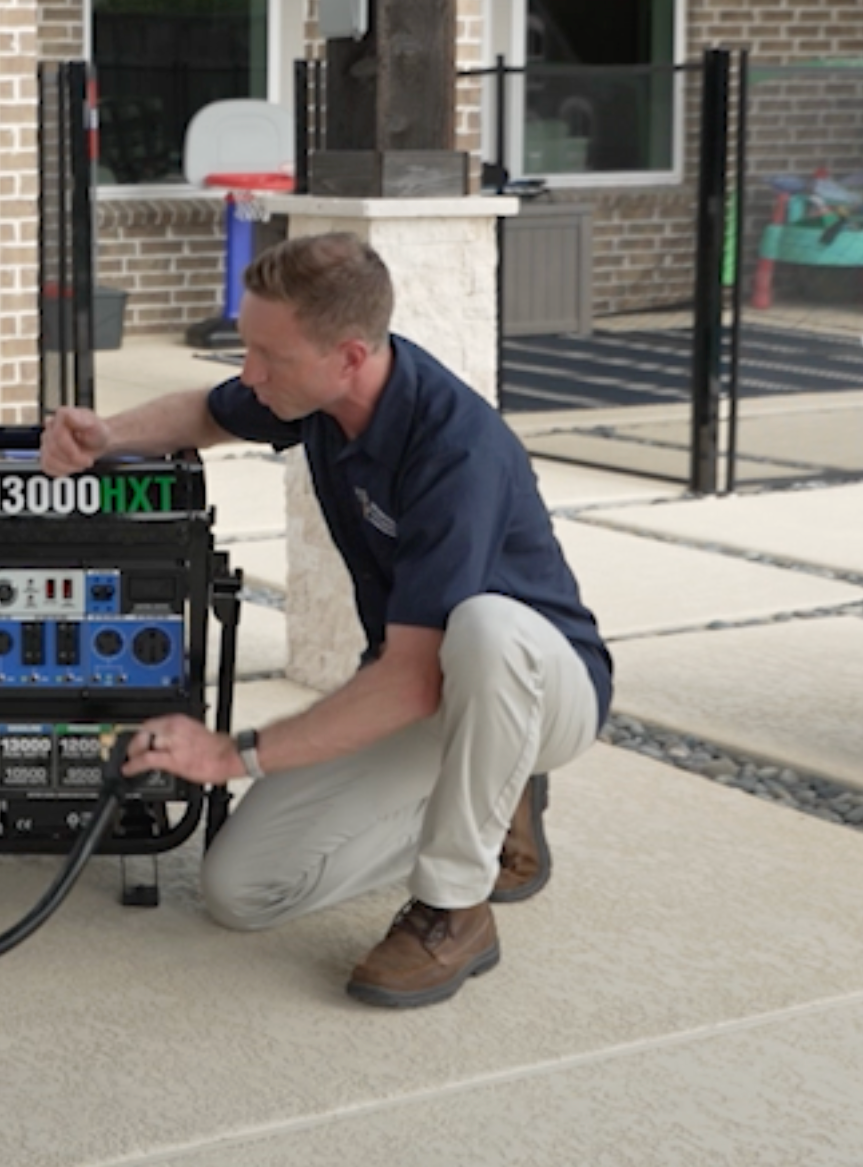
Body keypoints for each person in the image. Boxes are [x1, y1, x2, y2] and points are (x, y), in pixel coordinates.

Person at [38, 231, 610, 1009]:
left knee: (483, 626)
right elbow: (206, 414)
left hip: (543, 685)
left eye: (269, 357)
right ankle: (491, 796)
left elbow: (409, 678)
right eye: (248, 348)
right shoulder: (313, 395)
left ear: (347, 356)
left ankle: (453, 906)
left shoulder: (454, 447)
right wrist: (107, 436)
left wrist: (232, 755)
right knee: (241, 890)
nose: (251, 372)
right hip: (434, 694)